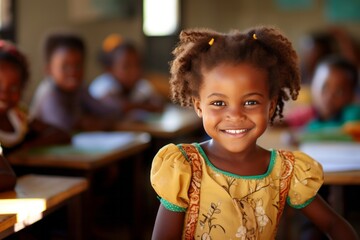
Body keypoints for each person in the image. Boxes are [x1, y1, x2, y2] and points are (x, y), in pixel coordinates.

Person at [150, 27, 359, 239]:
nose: (235, 115)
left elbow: (333, 223)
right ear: (199, 106)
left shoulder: (285, 171)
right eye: (218, 103)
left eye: (250, 102)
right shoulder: (185, 168)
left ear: (270, 106)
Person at [30, 32, 114, 133]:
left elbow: (104, 111)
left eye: (78, 65)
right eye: (65, 67)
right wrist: (82, 122)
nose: (73, 72)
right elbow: (61, 128)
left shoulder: (80, 88)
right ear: (49, 70)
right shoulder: (48, 94)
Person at [0, 40, 70, 155]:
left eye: (13, 88)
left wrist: (28, 146)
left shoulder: (19, 115)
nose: (4, 94)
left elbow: (62, 135)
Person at [89, 34, 164, 118]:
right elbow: (114, 108)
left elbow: (158, 106)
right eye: (126, 66)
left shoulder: (142, 86)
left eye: (138, 65)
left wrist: (132, 106)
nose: (134, 71)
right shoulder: (102, 87)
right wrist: (142, 105)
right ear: (110, 69)